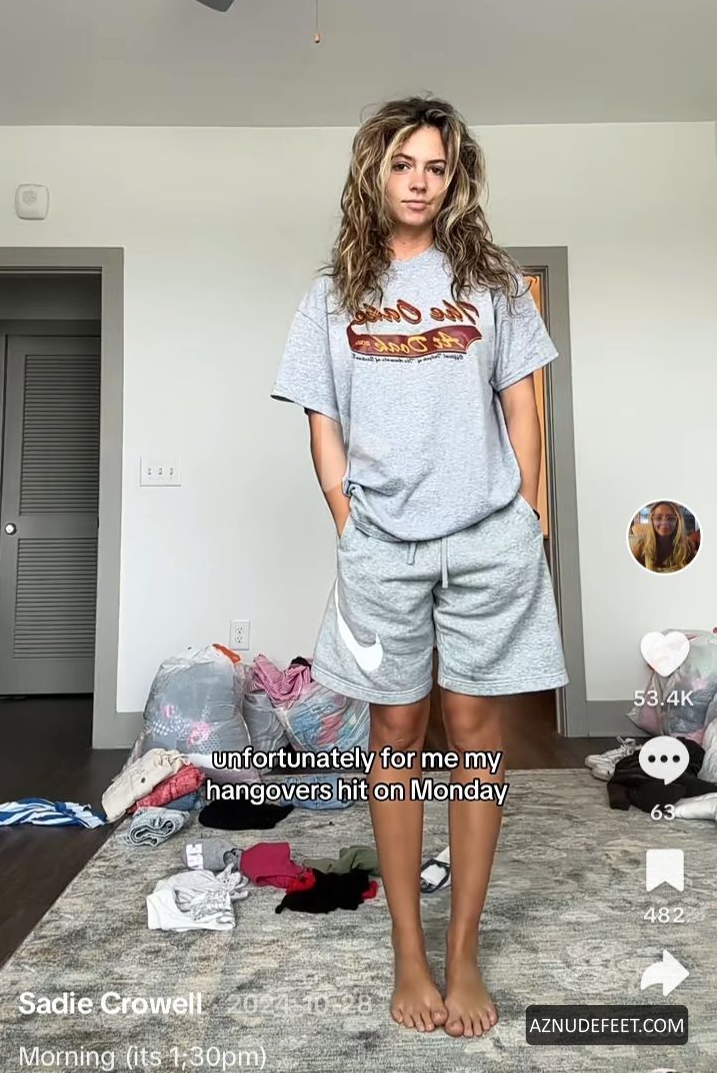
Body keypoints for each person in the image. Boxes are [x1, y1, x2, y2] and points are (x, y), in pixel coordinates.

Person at [271, 95, 569, 1039]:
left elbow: (523, 403)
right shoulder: (334, 293)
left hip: (485, 535)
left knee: (475, 734)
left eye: (436, 167)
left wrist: (531, 515)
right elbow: (322, 417)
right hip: (383, 545)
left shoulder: (492, 282)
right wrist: (345, 518)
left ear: (455, 178)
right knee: (395, 730)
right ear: (375, 171)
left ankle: (464, 948)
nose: (420, 181)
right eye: (404, 163)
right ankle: (410, 947)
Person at [631, 501, 697, 573]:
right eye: (658, 518)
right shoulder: (641, 547)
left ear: (677, 522)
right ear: (652, 521)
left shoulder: (687, 546)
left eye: (670, 518)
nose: (664, 523)